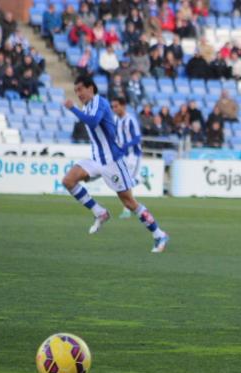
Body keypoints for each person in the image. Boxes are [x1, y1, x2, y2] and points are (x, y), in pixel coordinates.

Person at [62, 76, 169, 253]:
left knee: (129, 203)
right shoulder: (87, 106)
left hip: (113, 161)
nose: (78, 94)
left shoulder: (100, 103)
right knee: (68, 181)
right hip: (97, 160)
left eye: (81, 89)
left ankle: (159, 234)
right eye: (76, 91)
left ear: (91, 88)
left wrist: (73, 108)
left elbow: (93, 121)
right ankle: (99, 212)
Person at [112, 97, 151, 219]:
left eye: (116, 106)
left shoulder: (130, 120)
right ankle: (142, 180)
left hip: (133, 155)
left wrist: (125, 145)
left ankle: (127, 210)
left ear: (123, 106)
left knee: (126, 184)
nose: (114, 109)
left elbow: (137, 138)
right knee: (122, 182)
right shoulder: (116, 120)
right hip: (122, 155)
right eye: (113, 107)